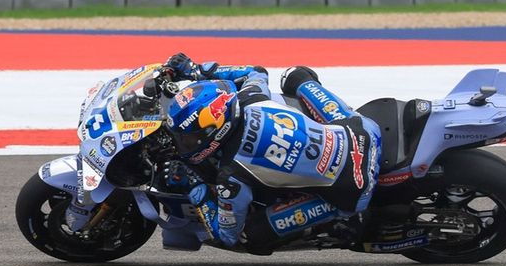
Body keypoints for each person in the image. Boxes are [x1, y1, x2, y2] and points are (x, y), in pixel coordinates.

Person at [160, 54, 381, 252]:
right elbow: (256, 71)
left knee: (251, 235)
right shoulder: (251, 97)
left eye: (189, 138)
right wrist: (197, 70)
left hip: (352, 189)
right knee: (295, 75)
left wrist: (194, 187)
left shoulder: (232, 175)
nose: (184, 144)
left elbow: (226, 235)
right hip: (361, 131)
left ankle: (340, 223)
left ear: (215, 130)